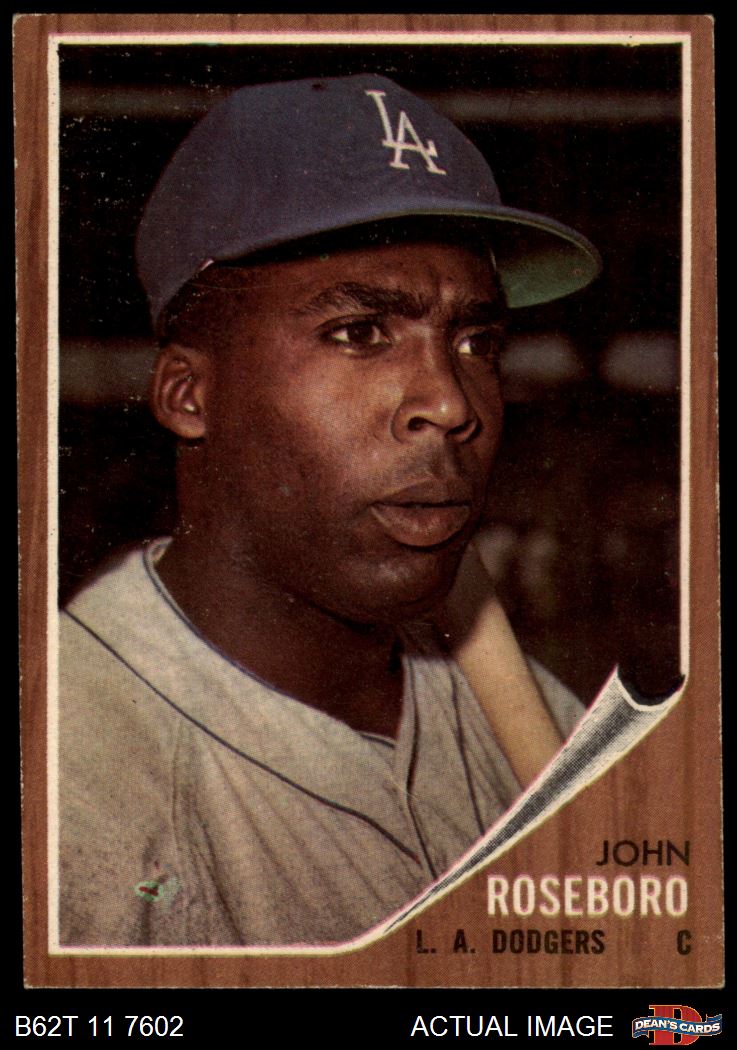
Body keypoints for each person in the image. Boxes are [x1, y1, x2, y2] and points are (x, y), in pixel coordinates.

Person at [58, 73, 601, 947]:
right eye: (359, 333)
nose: (450, 403)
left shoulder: (532, 710)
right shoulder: (71, 784)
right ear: (189, 395)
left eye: (476, 342)